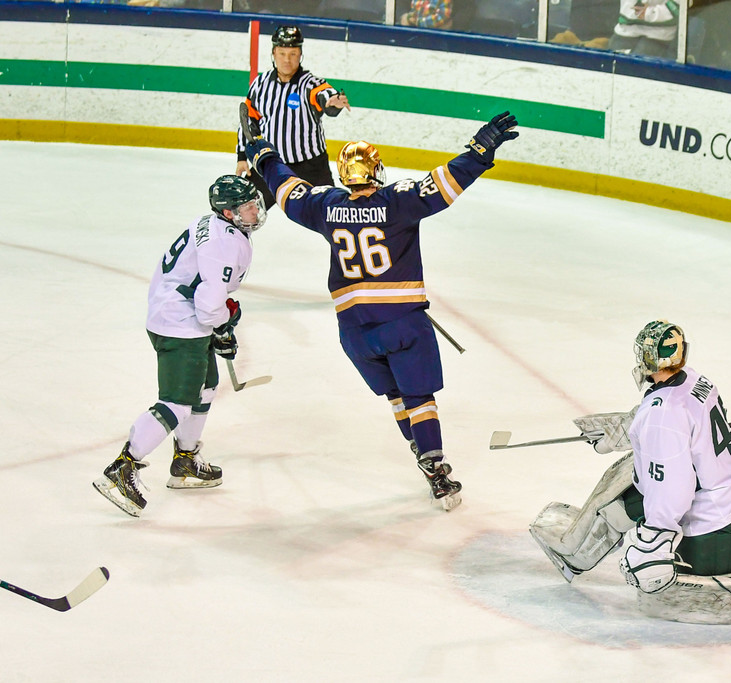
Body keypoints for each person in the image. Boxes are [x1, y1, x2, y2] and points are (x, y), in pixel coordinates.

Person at [241, 108, 519, 511]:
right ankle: (435, 468)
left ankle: (419, 452)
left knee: (395, 394)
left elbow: (287, 189)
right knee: (419, 397)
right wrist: (480, 149)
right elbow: (445, 183)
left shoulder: (325, 205)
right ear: (376, 172)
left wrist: (261, 152)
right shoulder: (398, 201)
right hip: (402, 323)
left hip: (355, 333)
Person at [530, 320, 731, 631]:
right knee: (620, 494)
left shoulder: (661, 417)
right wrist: (623, 429)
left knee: (685, 593)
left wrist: (654, 538)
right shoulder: (694, 379)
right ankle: (574, 555)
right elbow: (677, 422)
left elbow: (672, 484)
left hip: (715, 509)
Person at [93, 176, 266, 517]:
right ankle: (122, 469)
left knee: (206, 386)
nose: (254, 211)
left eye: (253, 202)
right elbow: (209, 301)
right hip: (180, 322)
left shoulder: (213, 224)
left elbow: (205, 291)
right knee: (177, 401)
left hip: (177, 312)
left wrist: (220, 324)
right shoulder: (226, 243)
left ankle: (185, 460)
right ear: (228, 213)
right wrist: (222, 325)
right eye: (246, 207)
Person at [236, 25, 351, 209]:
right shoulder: (260, 84)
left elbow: (324, 94)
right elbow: (248, 121)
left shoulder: (310, 84)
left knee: (332, 213)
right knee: (244, 211)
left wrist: (332, 102)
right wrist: (242, 156)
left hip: (311, 167)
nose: (287, 60)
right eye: (282, 53)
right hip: (271, 164)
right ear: (274, 53)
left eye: (293, 54)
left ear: (300, 54)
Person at [608, 1, 679, 60]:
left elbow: (678, 7)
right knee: (610, 67)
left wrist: (649, 13)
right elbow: (628, 10)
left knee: (636, 70)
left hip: (659, 35)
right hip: (626, 31)